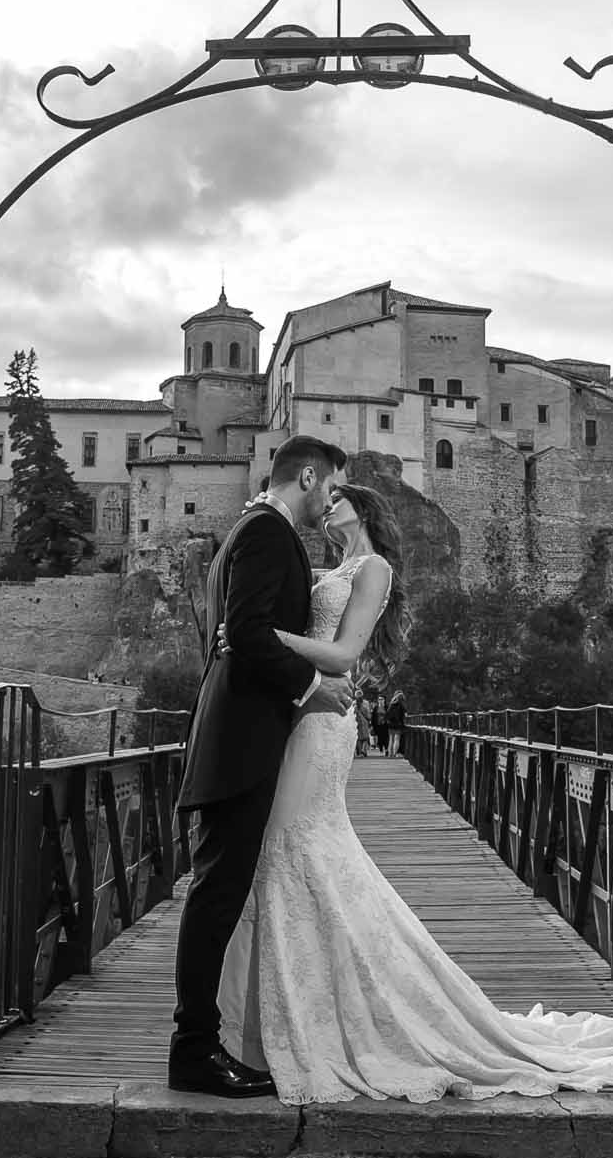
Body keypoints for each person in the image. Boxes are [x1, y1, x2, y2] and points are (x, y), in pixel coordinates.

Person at [216, 483, 613, 1105]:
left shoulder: (374, 568)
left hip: (325, 721)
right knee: (292, 851)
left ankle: (316, 1011)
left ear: (364, 508)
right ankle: (281, 1009)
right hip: (302, 716)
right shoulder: (329, 570)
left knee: (295, 847)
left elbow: (345, 652)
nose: (327, 504)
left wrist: (263, 638)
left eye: (339, 497)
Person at [169, 436, 356, 1099]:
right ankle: (194, 1050)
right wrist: (313, 688)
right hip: (241, 738)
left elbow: (233, 635)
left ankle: (201, 1044)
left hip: (236, 733)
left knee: (217, 891)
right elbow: (246, 635)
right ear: (305, 476)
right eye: (328, 486)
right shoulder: (268, 534)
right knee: (217, 894)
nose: (329, 501)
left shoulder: (245, 532)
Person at [385, 689, 407, 758]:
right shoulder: (402, 705)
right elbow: (405, 715)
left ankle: (390, 754)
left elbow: (387, 714)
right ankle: (394, 753)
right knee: (397, 739)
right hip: (398, 724)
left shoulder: (391, 704)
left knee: (391, 739)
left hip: (391, 723)